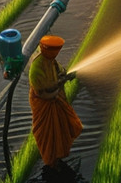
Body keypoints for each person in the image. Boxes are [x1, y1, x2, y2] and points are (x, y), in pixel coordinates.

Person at [29, 35, 83, 167]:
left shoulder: (51, 61)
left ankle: (59, 154)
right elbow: (42, 93)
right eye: (55, 51)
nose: (57, 54)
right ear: (47, 50)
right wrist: (59, 85)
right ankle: (51, 161)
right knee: (47, 134)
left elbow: (60, 72)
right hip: (45, 104)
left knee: (65, 125)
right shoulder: (36, 68)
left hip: (56, 99)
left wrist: (66, 76)